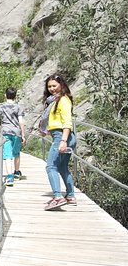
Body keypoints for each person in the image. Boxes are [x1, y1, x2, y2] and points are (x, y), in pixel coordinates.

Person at [39, 74, 77, 211]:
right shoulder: (54, 101)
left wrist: (62, 141)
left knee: (51, 167)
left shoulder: (63, 100)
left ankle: (57, 197)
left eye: (54, 85)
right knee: (62, 167)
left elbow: (67, 122)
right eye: (49, 86)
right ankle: (70, 196)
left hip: (63, 136)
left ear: (61, 85)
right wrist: (48, 130)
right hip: (61, 135)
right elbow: (58, 121)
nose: (51, 89)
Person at [0, 87, 26, 186]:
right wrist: (23, 135)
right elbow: (21, 122)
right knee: (16, 152)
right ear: (15, 96)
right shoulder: (19, 107)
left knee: (7, 154)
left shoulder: (1, 106)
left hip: (5, 132)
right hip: (16, 132)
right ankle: (17, 173)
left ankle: (9, 177)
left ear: (5, 95)